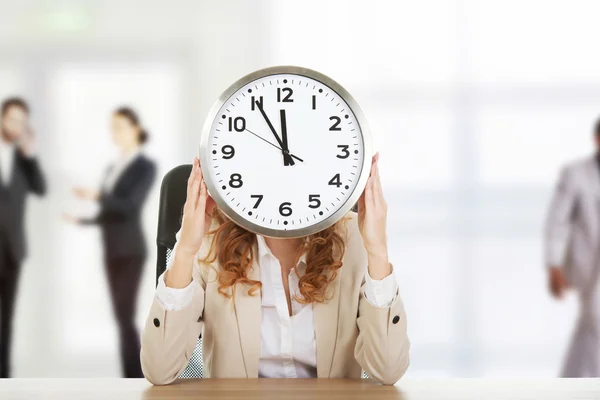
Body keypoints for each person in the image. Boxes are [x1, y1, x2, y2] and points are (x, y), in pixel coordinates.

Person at [140, 153, 410, 385]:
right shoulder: (209, 238)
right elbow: (160, 370)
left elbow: (387, 371)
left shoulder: (355, 237)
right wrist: (186, 249)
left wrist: (378, 251)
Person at [64, 107, 156, 378]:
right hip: (111, 249)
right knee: (120, 318)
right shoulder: (111, 167)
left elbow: (130, 206)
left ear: (135, 129)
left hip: (130, 250)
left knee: (126, 317)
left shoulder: (144, 166)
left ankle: (137, 375)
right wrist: (82, 221)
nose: (114, 132)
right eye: (112, 127)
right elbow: (109, 213)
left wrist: (96, 196)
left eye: (120, 126)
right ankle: (130, 375)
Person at [545, 117, 600, 377]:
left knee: (589, 325)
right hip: (588, 264)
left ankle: (570, 382)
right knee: (595, 320)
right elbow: (557, 221)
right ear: (597, 140)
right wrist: (554, 264)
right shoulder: (577, 174)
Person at [0, 97, 46, 378]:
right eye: (12, 119)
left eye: (22, 121)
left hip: (12, 250)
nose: (16, 126)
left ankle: (3, 380)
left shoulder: (22, 158)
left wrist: (30, 155)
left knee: (6, 322)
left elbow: (40, 188)